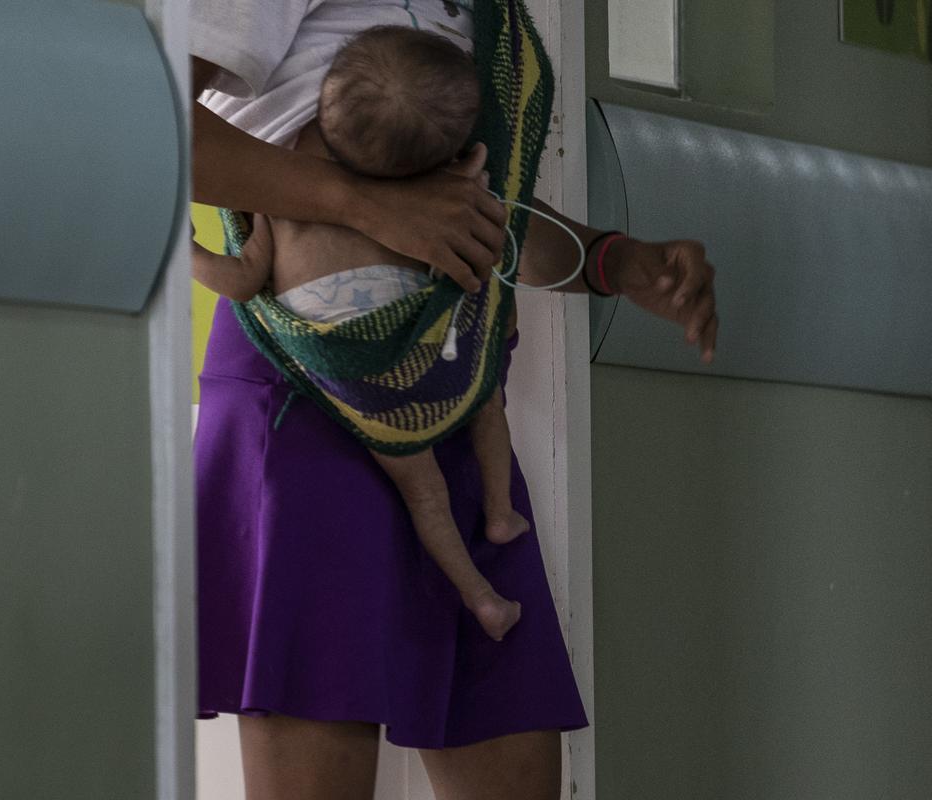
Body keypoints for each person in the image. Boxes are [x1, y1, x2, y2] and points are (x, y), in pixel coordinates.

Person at [190, 2, 718, 798]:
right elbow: (144, 115)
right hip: (305, 395)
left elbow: (459, 210)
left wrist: (613, 262)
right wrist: (358, 201)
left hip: (453, 397)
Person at [194, 25, 530, 643]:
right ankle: (501, 511)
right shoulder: (435, 187)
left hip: (352, 364)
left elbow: (242, 282)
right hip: (428, 327)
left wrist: (182, 248)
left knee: (422, 491)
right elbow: (485, 193)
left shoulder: (283, 184)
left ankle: (483, 601)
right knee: (484, 394)